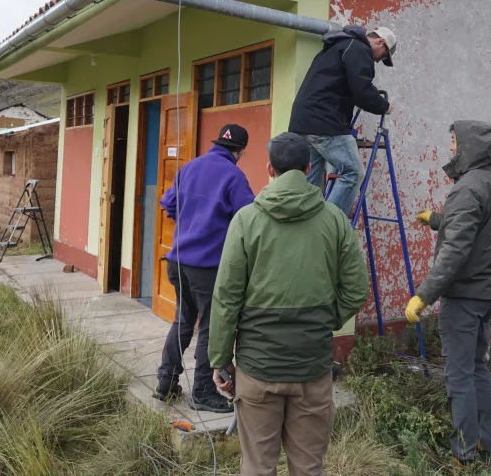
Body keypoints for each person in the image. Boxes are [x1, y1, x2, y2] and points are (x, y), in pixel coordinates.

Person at [209, 132, 369, 476]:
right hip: (312, 369)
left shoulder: (246, 220)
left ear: (270, 169)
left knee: (257, 466)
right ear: (309, 167)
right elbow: (356, 289)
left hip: (257, 369)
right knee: (308, 468)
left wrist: (220, 361)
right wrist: (324, 321)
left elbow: (226, 298)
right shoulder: (335, 220)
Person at [405, 121, 491, 467]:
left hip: (463, 299)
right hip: (483, 295)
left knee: (460, 376)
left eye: (453, 142)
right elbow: (471, 226)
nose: (450, 149)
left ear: (467, 146)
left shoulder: (467, 188)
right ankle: (490, 448)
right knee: (477, 369)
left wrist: (424, 295)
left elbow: (455, 250)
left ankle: (463, 456)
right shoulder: (489, 182)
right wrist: (435, 218)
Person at [153, 123, 256, 413]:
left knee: (183, 321)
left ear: (216, 143)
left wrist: (191, 221)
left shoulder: (190, 167)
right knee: (211, 329)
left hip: (177, 261)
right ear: (240, 151)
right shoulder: (234, 175)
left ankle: (165, 383)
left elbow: (168, 204)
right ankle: (203, 393)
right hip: (207, 269)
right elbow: (248, 218)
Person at [288, 24, 397, 217]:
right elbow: (362, 91)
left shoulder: (338, 45)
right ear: (380, 42)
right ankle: (327, 225)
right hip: (324, 122)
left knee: (311, 180)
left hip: (303, 121)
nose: (379, 60)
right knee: (353, 173)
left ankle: (306, 224)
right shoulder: (359, 49)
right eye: (383, 56)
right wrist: (384, 106)